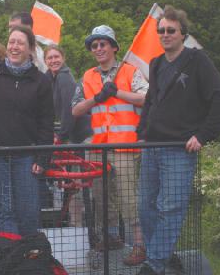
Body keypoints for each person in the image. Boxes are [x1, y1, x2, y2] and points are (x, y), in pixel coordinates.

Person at [136, 6, 220, 275]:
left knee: (171, 207)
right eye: (161, 30)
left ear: (182, 34)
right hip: (152, 147)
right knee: (145, 207)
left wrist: (203, 135)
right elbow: (151, 101)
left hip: (179, 149)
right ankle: (164, 257)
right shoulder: (155, 64)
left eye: (170, 30)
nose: (165, 35)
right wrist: (142, 133)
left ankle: (153, 265)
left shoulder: (197, 61)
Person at [72, 25, 147, 265]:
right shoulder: (88, 76)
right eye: (94, 45)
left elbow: (147, 98)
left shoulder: (130, 71)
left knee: (128, 197)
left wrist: (119, 93)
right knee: (102, 196)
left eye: (103, 43)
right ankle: (111, 237)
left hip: (125, 147)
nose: (98, 48)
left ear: (114, 47)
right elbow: (75, 109)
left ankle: (139, 245)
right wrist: (97, 98)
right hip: (98, 148)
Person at [0, 25, 54, 240]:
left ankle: (27, 255)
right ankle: (12, 259)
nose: (14, 47)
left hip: (26, 156)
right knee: (3, 210)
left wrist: (43, 157)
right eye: (12, 42)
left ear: (31, 49)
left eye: (20, 43)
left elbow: (46, 122)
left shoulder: (41, 81)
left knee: (28, 210)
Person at [44, 45, 92, 226]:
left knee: (79, 184)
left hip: (82, 136)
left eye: (56, 57)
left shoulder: (64, 78)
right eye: (49, 58)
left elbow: (68, 111)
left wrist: (61, 136)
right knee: (73, 183)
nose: (53, 60)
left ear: (63, 58)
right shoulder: (52, 78)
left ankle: (82, 225)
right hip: (73, 137)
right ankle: (76, 223)